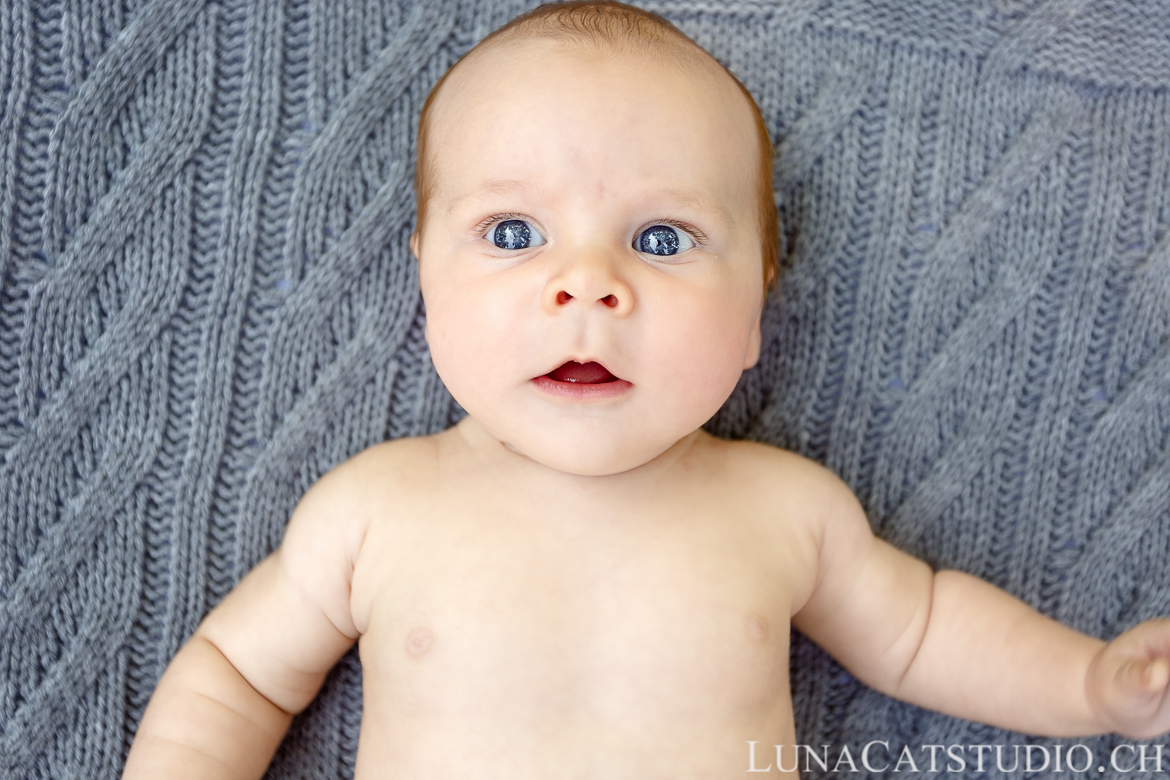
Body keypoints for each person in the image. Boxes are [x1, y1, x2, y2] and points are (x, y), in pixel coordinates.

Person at [121, 2, 1170, 777]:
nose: (587, 284)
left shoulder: (782, 508)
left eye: (662, 239)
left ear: (757, 307)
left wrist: (1089, 686)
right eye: (513, 234)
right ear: (424, 276)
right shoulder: (376, 509)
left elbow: (924, 632)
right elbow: (236, 675)